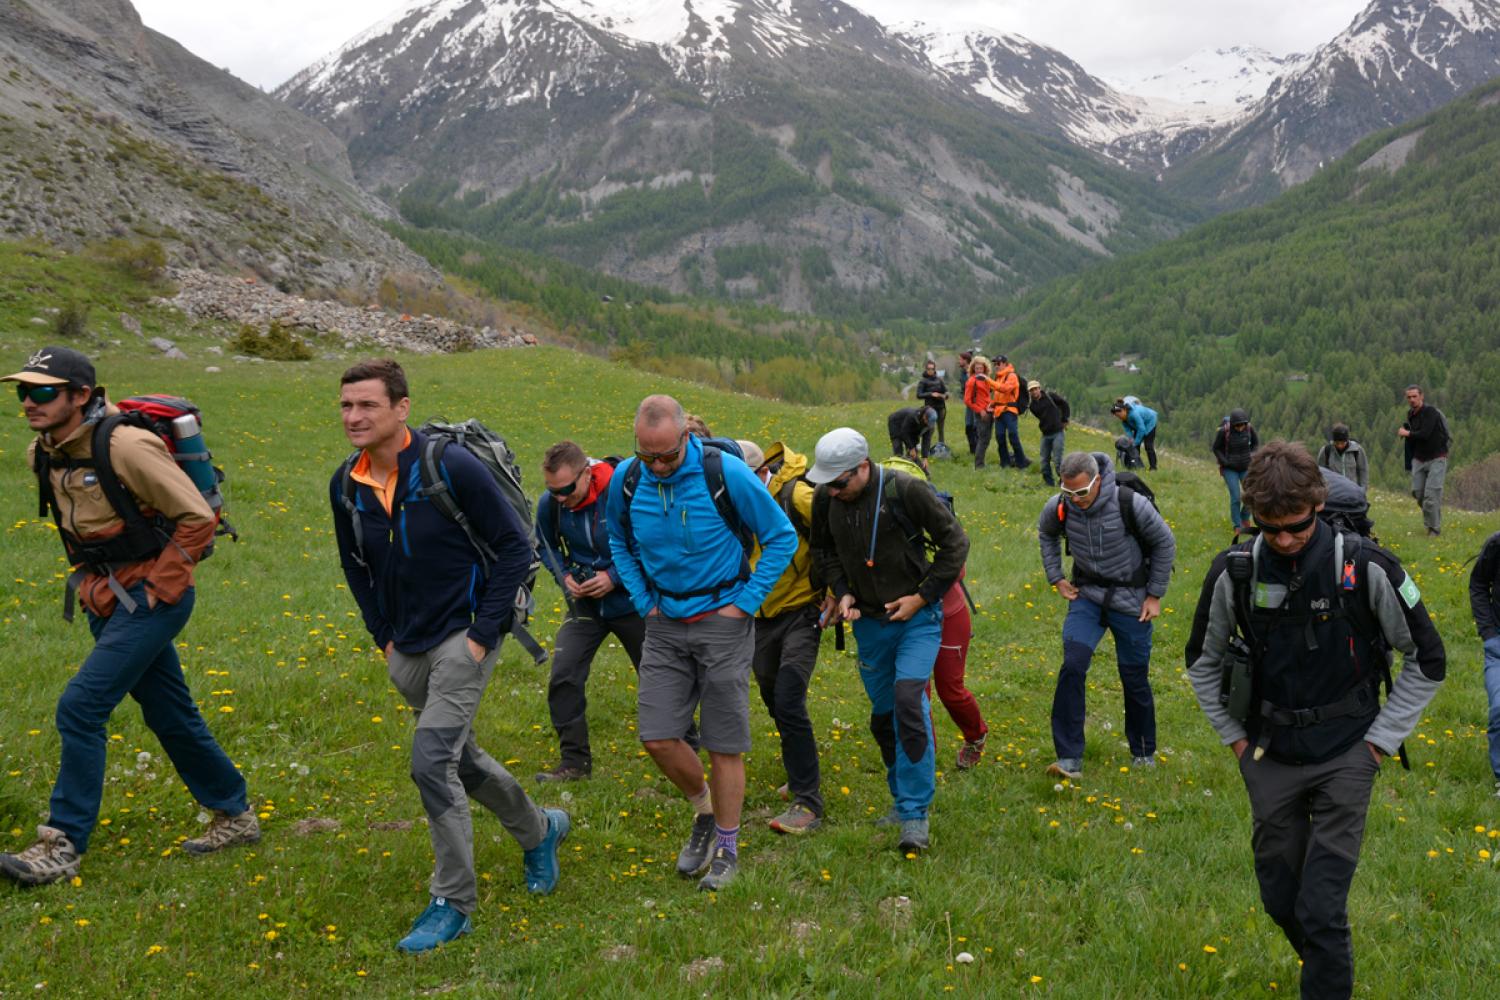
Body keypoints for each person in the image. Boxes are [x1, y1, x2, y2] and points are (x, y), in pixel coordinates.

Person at [1185, 441, 1444, 999]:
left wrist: (1378, 745)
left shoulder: (1367, 566)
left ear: (1319, 506)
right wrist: (1236, 742)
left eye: (1296, 527)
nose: (1282, 540)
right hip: (1267, 752)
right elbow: (1200, 664)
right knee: (1281, 898)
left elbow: (1429, 658)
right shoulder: (1233, 572)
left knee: (1322, 906)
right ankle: (1327, 965)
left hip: (1349, 751)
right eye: (1268, 527)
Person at [330, 359, 568, 952]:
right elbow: (354, 567)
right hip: (404, 644)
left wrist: (483, 635)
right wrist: (382, 637)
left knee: (431, 762)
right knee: (459, 759)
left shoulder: (447, 465)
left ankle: (452, 901)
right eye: (345, 406)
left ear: (401, 407)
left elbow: (517, 547)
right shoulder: (345, 483)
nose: (354, 417)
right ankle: (538, 831)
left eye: (367, 405)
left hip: (464, 637)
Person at [0, 347, 257, 887]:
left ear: (82, 396)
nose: (29, 401)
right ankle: (234, 815)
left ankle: (62, 845)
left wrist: (160, 588)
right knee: (169, 712)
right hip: (108, 601)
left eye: (44, 391)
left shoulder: (127, 445)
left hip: (152, 601)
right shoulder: (43, 453)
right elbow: (75, 528)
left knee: (81, 706)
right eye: (23, 390)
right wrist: (91, 583)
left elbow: (197, 516)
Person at [606, 396, 796, 892]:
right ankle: (704, 812)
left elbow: (780, 537)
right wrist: (643, 599)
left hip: (724, 621)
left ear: (685, 437)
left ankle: (728, 849)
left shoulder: (725, 473)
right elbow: (619, 542)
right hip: (664, 622)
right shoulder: (627, 480)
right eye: (650, 457)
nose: (660, 466)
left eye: (668, 455)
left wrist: (746, 603)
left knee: (723, 742)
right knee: (658, 737)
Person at [809, 429, 969, 853]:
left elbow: (956, 543)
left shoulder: (907, 490)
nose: (833, 491)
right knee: (884, 717)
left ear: (863, 467)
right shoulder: (827, 498)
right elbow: (823, 553)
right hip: (869, 623)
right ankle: (901, 799)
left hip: (918, 618)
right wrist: (841, 589)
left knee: (908, 703)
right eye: (827, 483)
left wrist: (921, 598)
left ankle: (916, 815)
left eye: (840, 482)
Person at [1038, 452, 1175, 780]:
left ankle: (1143, 751)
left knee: (1134, 676)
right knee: (1072, 665)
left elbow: (1165, 543)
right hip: (1088, 596)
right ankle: (1069, 757)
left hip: (1131, 598)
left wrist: (1155, 595)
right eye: (1069, 493)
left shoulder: (1130, 503)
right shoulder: (1060, 505)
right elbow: (1047, 533)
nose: (1076, 500)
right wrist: (1056, 577)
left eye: (1082, 493)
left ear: (1097, 481)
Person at [534, 441, 643, 782]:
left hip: (631, 603)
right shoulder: (551, 505)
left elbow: (650, 546)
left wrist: (613, 577)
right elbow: (546, 544)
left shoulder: (623, 494)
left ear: (586, 473)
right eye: (553, 491)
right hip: (584, 605)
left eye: (566, 489)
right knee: (564, 674)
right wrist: (564, 575)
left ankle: (685, 742)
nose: (560, 498)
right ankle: (574, 764)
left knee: (660, 678)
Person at [746, 439, 825, 834]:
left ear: (760, 473)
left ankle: (808, 802)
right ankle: (798, 772)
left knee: (789, 697)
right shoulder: (738, 503)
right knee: (771, 694)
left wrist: (836, 591)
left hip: (803, 609)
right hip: (761, 614)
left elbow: (835, 535)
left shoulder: (798, 496)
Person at [1469, 531, 1500, 797]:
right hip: (1498, 645)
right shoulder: (1496, 543)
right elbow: (1478, 584)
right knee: (1499, 709)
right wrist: (1488, 633)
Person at [1398, 385, 1449, 537]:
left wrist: (1406, 433)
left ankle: (1434, 529)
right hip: (1419, 458)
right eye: (1409, 397)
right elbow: (1415, 437)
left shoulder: (1431, 412)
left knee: (1431, 496)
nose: (1412, 400)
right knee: (1418, 493)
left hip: (1437, 458)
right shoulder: (1411, 414)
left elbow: (1425, 434)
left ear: (1422, 396)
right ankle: (1433, 518)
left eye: (1414, 396)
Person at [1212, 408, 1259, 533]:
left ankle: (1245, 518)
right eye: (1237, 426)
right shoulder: (1224, 432)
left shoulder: (1249, 429)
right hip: (1230, 470)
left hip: (1246, 467)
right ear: (1232, 425)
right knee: (1236, 497)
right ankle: (1237, 525)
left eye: (1242, 425)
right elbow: (1216, 448)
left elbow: (1255, 444)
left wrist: (1252, 456)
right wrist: (1225, 462)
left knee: (1251, 494)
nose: (1240, 428)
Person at [1027, 380, 1070, 487]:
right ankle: (1049, 483)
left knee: (1057, 461)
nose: (1034, 391)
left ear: (1039, 388)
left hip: (1057, 432)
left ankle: (1065, 482)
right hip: (1045, 434)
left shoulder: (1050, 396)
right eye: (1032, 390)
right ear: (1030, 392)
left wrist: (1065, 419)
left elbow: (1064, 404)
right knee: (1044, 462)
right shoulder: (1032, 406)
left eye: (1036, 389)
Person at [990, 355, 1028, 469]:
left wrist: (988, 380)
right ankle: (1005, 463)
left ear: (1005, 363)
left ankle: (1022, 462)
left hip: (1009, 411)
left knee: (1013, 436)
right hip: (998, 411)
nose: (996, 366)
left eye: (998, 363)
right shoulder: (998, 377)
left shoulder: (1011, 376)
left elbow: (1004, 389)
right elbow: (998, 396)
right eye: (995, 364)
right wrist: (992, 404)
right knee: (1000, 437)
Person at [962, 356, 995, 469]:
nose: (979, 370)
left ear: (985, 369)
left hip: (989, 411)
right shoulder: (971, 381)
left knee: (987, 438)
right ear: (973, 369)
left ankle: (981, 463)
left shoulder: (987, 379)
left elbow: (987, 396)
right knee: (982, 438)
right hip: (981, 413)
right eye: (977, 368)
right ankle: (979, 465)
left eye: (981, 368)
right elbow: (967, 400)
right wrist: (980, 410)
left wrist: (991, 405)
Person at [1316, 424, 1368, 490]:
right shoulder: (1326, 451)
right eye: (1337, 443)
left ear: (1347, 440)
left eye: (1343, 443)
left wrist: (1363, 490)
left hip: (1353, 491)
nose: (1340, 446)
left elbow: (1363, 471)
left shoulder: (1357, 450)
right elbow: (1320, 472)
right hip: (1333, 492)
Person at [1111, 398, 1158, 471]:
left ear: (1124, 410)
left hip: (1150, 422)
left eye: (1119, 415)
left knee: (1148, 446)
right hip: (1139, 426)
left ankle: (1153, 468)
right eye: (1117, 416)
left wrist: (1136, 442)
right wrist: (1131, 439)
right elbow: (1128, 430)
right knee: (1134, 447)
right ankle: (1136, 465)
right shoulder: (1123, 419)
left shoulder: (1134, 414)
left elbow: (1142, 429)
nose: (1119, 417)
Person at [916, 360, 948, 449]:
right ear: (926, 369)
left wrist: (945, 396)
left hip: (941, 407)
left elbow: (946, 391)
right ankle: (925, 446)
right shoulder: (923, 381)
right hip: (930, 408)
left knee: (941, 429)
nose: (931, 370)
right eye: (929, 369)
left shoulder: (939, 380)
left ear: (935, 369)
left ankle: (942, 446)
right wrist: (930, 394)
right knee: (930, 428)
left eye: (932, 369)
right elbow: (919, 395)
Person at [957, 351, 977, 455]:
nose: (958, 361)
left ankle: (978, 450)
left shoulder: (974, 373)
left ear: (965, 360)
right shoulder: (963, 373)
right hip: (968, 404)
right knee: (968, 426)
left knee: (975, 426)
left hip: (976, 403)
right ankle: (972, 451)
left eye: (960, 359)